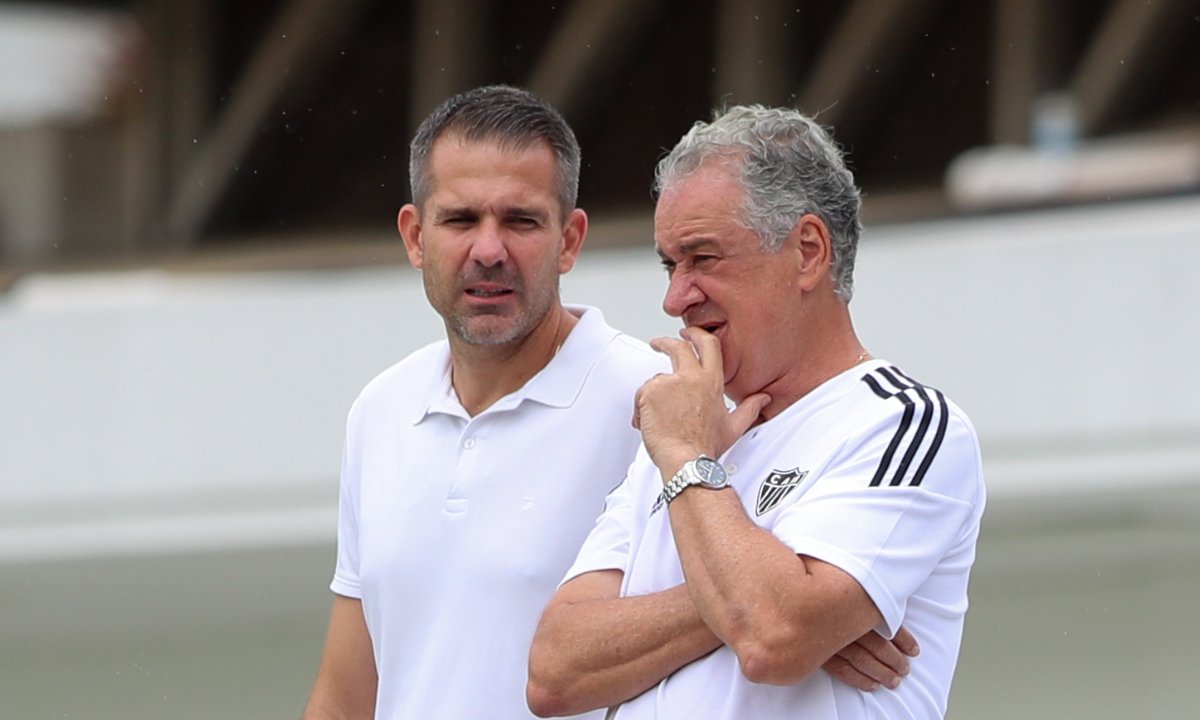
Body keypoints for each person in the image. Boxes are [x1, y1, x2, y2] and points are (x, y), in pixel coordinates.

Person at [303, 87, 915, 720]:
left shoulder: (663, 400)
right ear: (414, 236)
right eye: (460, 220)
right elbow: (348, 696)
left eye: (521, 221)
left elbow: (769, 609)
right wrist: (750, 613)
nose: (488, 250)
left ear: (570, 240)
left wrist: (800, 617)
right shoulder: (380, 410)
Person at [526, 105, 986, 719]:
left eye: (703, 258)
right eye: (670, 265)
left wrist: (689, 464)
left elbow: (773, 639)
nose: (675, 298)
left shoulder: (903, 424)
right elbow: (555, 672)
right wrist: (738, 607)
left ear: (808, 252)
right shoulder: (681, 437)